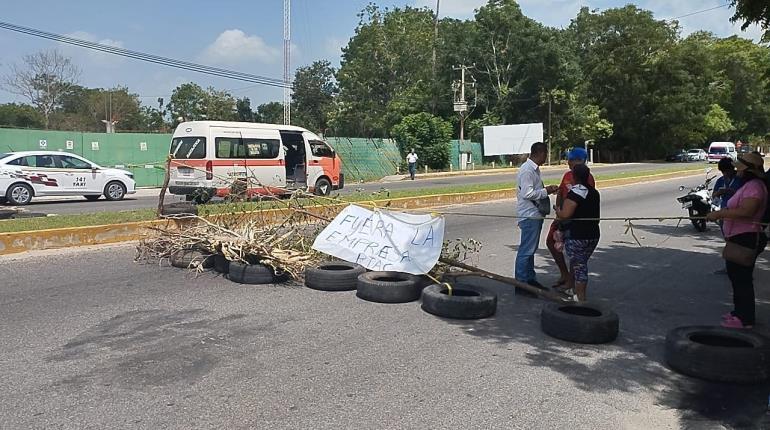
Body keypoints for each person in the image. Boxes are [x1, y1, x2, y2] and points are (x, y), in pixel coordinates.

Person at [706, 152, 768, 329]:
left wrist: (720, 213)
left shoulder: (755, 186)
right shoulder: (749, 185)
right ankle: (739, 312)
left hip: (746, 237)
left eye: (740, 166)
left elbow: (747, 211)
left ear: (748, 170)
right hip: (738, 237)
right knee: (736, 277)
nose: (737, 169)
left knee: (742, 279)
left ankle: (745, 319)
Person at [546, 147, 595, 289]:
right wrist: (558, 213)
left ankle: (572, 284)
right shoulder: (568, 175)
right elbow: (561, 193)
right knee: (551, 241)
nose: (568, 162)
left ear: (580, 161)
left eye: (571, 159)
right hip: (562, 217)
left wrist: (565, 214)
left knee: (575, 254)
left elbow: (583, 200)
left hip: (574, 221)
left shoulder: (586, 178)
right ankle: (564, 274)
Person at [515, 141, 559, 288]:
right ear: (540, 153)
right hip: (530, 215)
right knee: (526, 250)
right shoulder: (527, 170)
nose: (546, 157)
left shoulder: (534, 169)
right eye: (545, 154)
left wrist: (548, 190)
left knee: (530, 249)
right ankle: (521, 283)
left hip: (535, 214)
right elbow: (527, 193)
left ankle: (529, 278)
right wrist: (546, 190)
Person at [555, 163, 601, 302]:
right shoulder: (593, 192)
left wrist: (557, 210)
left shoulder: (576, 192)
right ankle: (573, 290)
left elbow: (565, 214)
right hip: (593, 235)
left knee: (580, 266)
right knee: (579, 263)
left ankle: (581, 298)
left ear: (574, 177)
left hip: (578, 236)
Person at [711, 157, 743, 275]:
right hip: (724, 213)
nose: (725, 174)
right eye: (723, 172)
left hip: (739, 213)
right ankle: (729, 266)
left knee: (739, 241)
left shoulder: (740, 179)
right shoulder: (720, 180)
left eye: (727, 171)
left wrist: (733, 192)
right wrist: (719, 193)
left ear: (732, 168)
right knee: (728, 241)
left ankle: (741, 267)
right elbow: (714, 195)